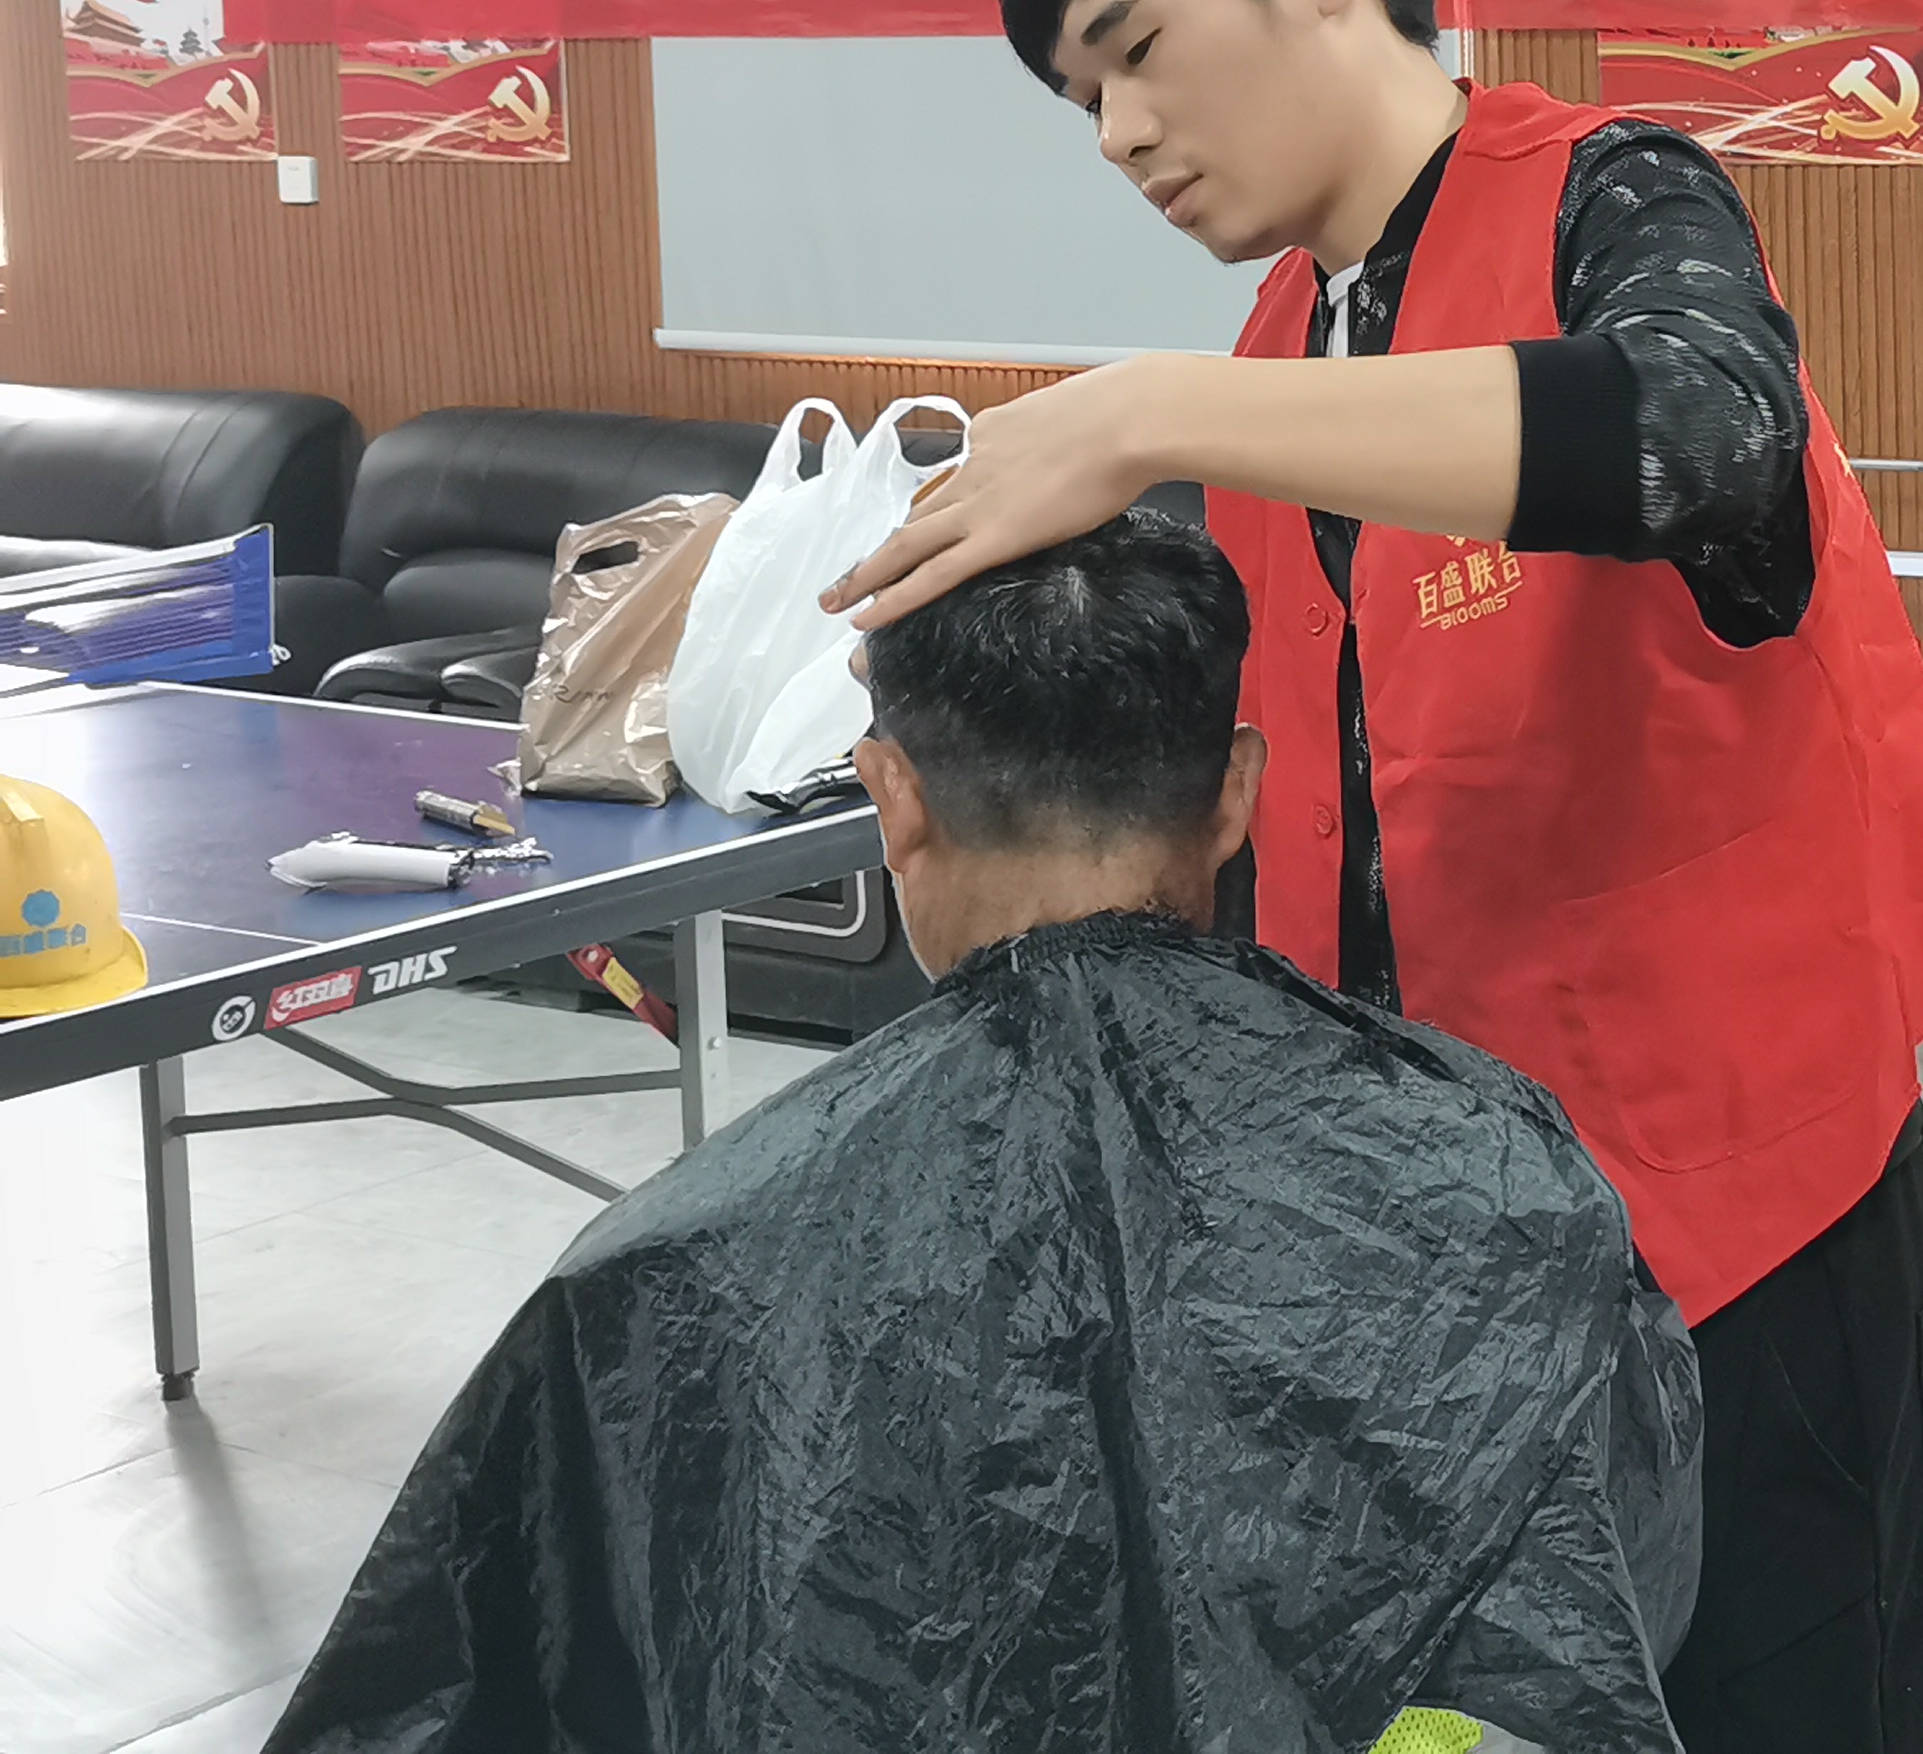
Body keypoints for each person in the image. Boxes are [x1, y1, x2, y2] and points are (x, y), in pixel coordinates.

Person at [826, 0, 1923, 1754]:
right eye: (1079, 99)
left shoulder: (1613, 201)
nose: (1119, 135)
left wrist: (1150, 415)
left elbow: (1694, 433)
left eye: (1136, 49)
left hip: (1738, 1225)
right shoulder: (1285, 348)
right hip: (1429, 1246)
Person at [268, 510, 1702, 1754]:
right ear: (1236, 795)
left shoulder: (660, 1277)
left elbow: (458, 1682)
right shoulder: (1502, 1179)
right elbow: (1604, 1612)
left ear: (890, 797)